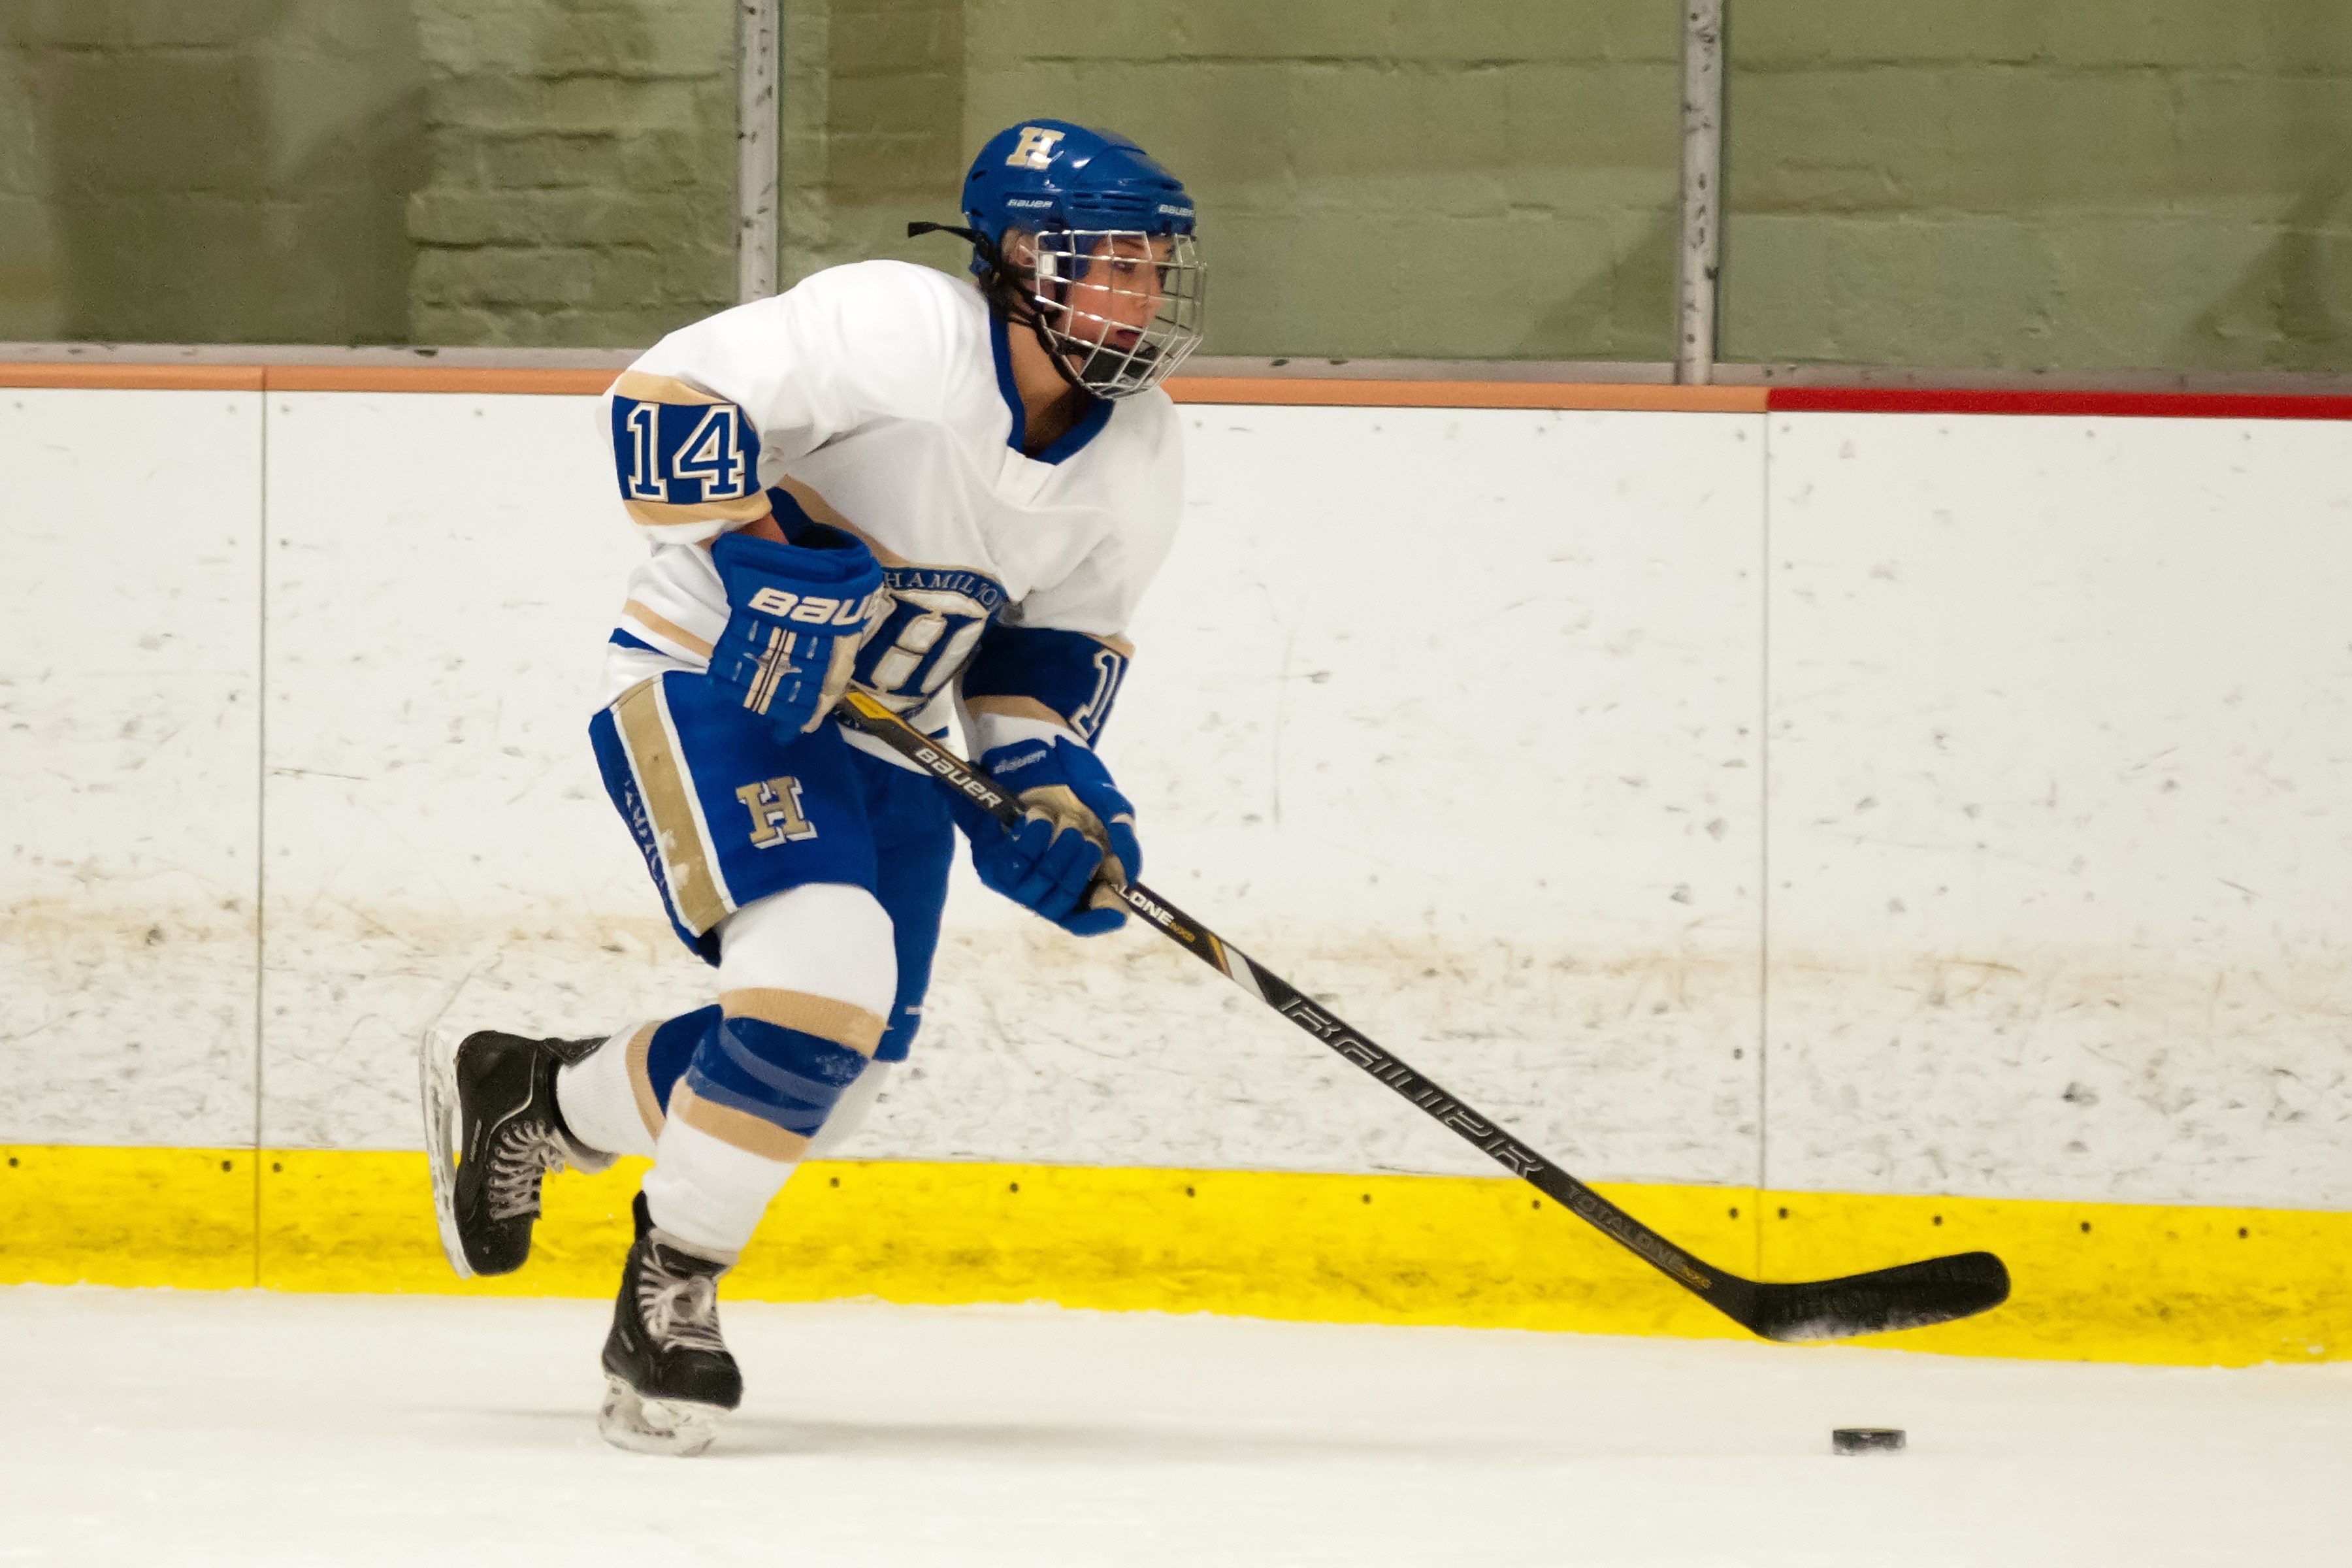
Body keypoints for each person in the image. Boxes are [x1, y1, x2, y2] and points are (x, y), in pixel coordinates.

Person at [419, 120, 1205, 1456]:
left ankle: (536, 1097)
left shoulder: (1140, 459)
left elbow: (1032, 678)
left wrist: (1059, 809)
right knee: (821, 991)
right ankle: (669, 1295)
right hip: (712, 682)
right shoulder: (896, 330)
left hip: (882, 735)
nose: (1133, 298)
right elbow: (663, 401)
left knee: (829, 1080)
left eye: (1152, 270)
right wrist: (755, 551)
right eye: (1103, 265)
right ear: (1015, 262)